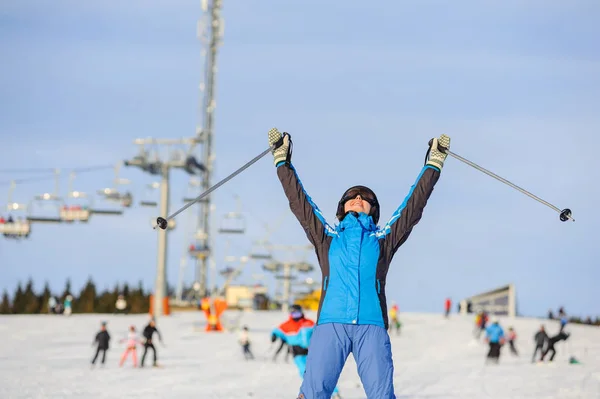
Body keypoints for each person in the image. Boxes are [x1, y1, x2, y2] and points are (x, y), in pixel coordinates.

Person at [268, 128, 451, 399]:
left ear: (373, 210)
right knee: (313, 393)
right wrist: (283, 162)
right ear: (342, 208)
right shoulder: (327, 238)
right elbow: (300, 202)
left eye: (365, 198)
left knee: (381, 395)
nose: (358, 198)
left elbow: (412, 207)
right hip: (331, 324)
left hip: (372, 326)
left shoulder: (382, 240)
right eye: (352, 196)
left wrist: (433, 163)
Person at [272, 305, 340, 398]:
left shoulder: (309, 322)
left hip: (312, 351)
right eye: (293, 313)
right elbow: (276, 331)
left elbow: (319, 330)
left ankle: (334, 393)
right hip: (297, 353)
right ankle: (310, 393)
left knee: (320, 372)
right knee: (304, 372)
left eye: (297, 312)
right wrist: (274, 336)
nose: (296, 315)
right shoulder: (287, 325)